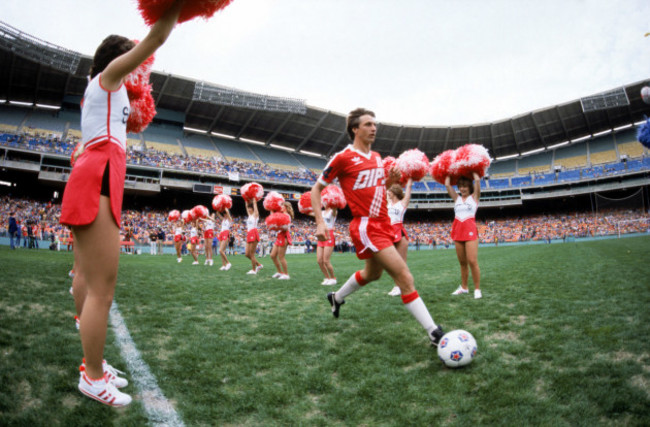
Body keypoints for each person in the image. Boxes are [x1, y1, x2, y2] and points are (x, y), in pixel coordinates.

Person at [59, 1, 183, 407]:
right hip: (98, 178)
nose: (137, 66)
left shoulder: (103, 91)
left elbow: (81, 149)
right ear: (116, 57)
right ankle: (92, 377)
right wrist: (178, 6)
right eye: (130, 57)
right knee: (102, 290)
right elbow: (157, 37)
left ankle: (93, 361)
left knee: (83, 275)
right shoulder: (109, 77)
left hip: (92, 175)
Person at [311, 108, 444, 346]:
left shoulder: (376, 158)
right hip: (367, 226)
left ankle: (336, 297)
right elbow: (316, 189)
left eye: (375, 124)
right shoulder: (342, 158)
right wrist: (320, 222)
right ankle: (434, 332)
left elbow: (377, 188)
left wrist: (391, 181)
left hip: (384, 223)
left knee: (373, 274)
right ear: (355, 129)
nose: (374, 128)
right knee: (404, 276)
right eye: (368, 124)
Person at [445, 173, 482, 299]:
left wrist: (476, 174)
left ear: (469, 187)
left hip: (470, 231)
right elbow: (447, 185)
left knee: (472, 261)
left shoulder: (474, 197)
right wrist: (447, 172)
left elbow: (477, 182)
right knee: (462, 263)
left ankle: (477, 289)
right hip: (458, 231)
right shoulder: (457, 199)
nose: (462, 189)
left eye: (465, 186)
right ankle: (464, 287)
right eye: (460, 186)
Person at [386, 178, 413, 296]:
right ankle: (399, 286)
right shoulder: (387, 203)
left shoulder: (402, 204)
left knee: (401, 263)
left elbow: (408, 191)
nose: (388, 192)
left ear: (395, 192)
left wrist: (411, 179)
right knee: (392, 264)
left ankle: (400, 286)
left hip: (400, 233)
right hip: (389, 233)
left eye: (390, 191)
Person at [314, 207, 338, 285]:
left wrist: (334, 204)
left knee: (326, 261)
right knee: (319, 261)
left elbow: (334, 212)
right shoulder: (322, 212)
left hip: (329, 234)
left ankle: (333, 278)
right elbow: (312, 213)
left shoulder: (333, 211)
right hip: (321, 234)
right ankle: (327, 278)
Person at [270, 201, 293, 280]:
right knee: (272, 255)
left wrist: (277, 227)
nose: (281, 207)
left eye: (282, 206)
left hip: (284, 236)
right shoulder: (282, 215)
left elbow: (286, 228)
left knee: (281, 257)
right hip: (279, 236)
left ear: (286, 207)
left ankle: (286, 274)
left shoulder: (287, 216)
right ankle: (280, 272)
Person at [244, 199, 263, 275]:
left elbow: (256, 209)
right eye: (248, 208)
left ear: (252, 209)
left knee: (252, 254)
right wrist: (246, 199)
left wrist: (254, 202)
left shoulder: (255, 215)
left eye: (250, 208)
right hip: (249, 233)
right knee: (247, 254)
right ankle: (259, 265)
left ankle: (254, 270)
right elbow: (246, 206)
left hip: (254, 233)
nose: (249, 209)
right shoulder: (249, 215)